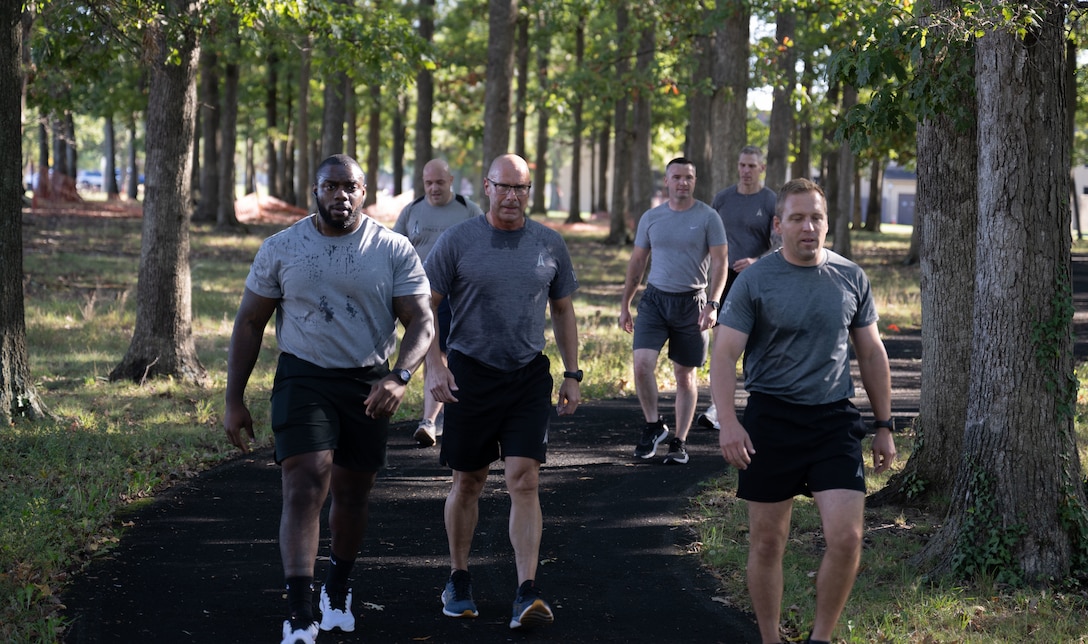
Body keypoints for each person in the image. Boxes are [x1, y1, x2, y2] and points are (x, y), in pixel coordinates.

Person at [223, 154, 434, 644]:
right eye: (331, 186)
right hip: (304, 377)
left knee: (353, 495)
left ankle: (337, 587)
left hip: (368, 382)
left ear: (365, 192)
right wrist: (234, 400)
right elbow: (250, 322)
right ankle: (298, 610)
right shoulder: (282, 247)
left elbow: (422, 321)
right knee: (305, 480)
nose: (341, 195)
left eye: (351, 187)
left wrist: (400, 377)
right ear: (314, 190)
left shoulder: (392, 247)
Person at [710, 178, 896, 644]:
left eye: (816, 218)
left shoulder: (850, 277)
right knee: (769, 541)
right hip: (771, 420)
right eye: (797, 218)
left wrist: (884, 425)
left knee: (848, 538)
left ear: (827, 224)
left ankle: (820, 638)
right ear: (778, 226)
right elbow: (723, 355)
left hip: (833, 419)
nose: (808, 227)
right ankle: (770, 638)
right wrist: (729, 422)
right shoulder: (755, 280)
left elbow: (871, 353)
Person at [424, 153, 581, 631]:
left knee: (525, 480)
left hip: (527, 374)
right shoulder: (457, 240)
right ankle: (458, 578)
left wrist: (573, 373)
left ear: (529, 192)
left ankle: (526, 590)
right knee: (468, 482)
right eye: (504, 187)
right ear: (487, 188)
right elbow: (423, 307)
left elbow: (563, 311)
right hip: (470, 374)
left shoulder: (549, 243)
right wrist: (434, 364)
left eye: (522, 188)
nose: (513, 196)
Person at [619, 157, 727, 465]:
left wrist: (713, 303)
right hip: (654, 301)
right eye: (676, 177)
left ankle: (679, 441)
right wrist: (625, 303)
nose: (683, 182)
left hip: (692, 303)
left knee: (685, 376)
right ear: (666, 181)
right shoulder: (651, 217)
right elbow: (637, 263)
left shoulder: (708, 217)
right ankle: (654, 425)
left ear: (694, 181)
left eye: (688, 177)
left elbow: (721, 264)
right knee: (641, 365)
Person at [393, 158, 483, 447]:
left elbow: (485, 248)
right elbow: (395, 251)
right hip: (413, 293)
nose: (433, 188)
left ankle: (429, 421)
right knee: (413, 353)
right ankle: (385, 403)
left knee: (438, 352)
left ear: (451, 181)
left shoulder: (468, 211)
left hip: (450, 296)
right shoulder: (411, 211)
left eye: (439, 182)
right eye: (428, 182)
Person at [696, 145, 779, 431]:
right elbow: (708, 238)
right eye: (742, 165)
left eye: (752, 166)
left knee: (759, 346)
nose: (746, 171)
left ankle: (765, 406)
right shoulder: (723, 199)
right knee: (722, 346)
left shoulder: (771, 201)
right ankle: (718, 409)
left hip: (758, 279)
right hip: (725, 280)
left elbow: (781, 244)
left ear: (762, 169)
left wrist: (758, 261)